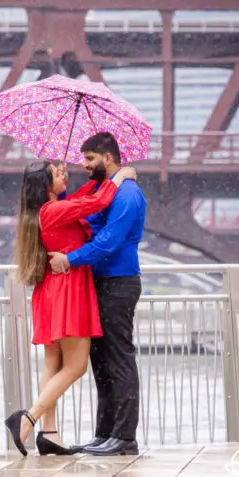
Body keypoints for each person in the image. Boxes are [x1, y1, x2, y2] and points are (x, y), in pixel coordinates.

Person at [4, 158, 136, 457]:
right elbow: (98, 201)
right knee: (75, 366)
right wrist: (121, 176)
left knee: (52, 364)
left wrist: (100, 177)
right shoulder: (54, 210)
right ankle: (28, 418)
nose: (64, 174)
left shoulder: (45, 210)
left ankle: (49, 434)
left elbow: (85, 195)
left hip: (51, 289)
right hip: (68, 290)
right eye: (57, 173)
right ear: (46, 184)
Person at [49, 131, 147, 456]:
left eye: (90, 159)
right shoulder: (103, 190)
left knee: (119, 357)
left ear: (108, 158)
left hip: (119, 284)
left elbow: (108, 242)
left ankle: (124, 437)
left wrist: (69, 259)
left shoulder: (128, 194)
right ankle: (104, 434)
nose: (85, 165)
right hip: (100, 283)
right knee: (100, 360)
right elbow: (79, 212)